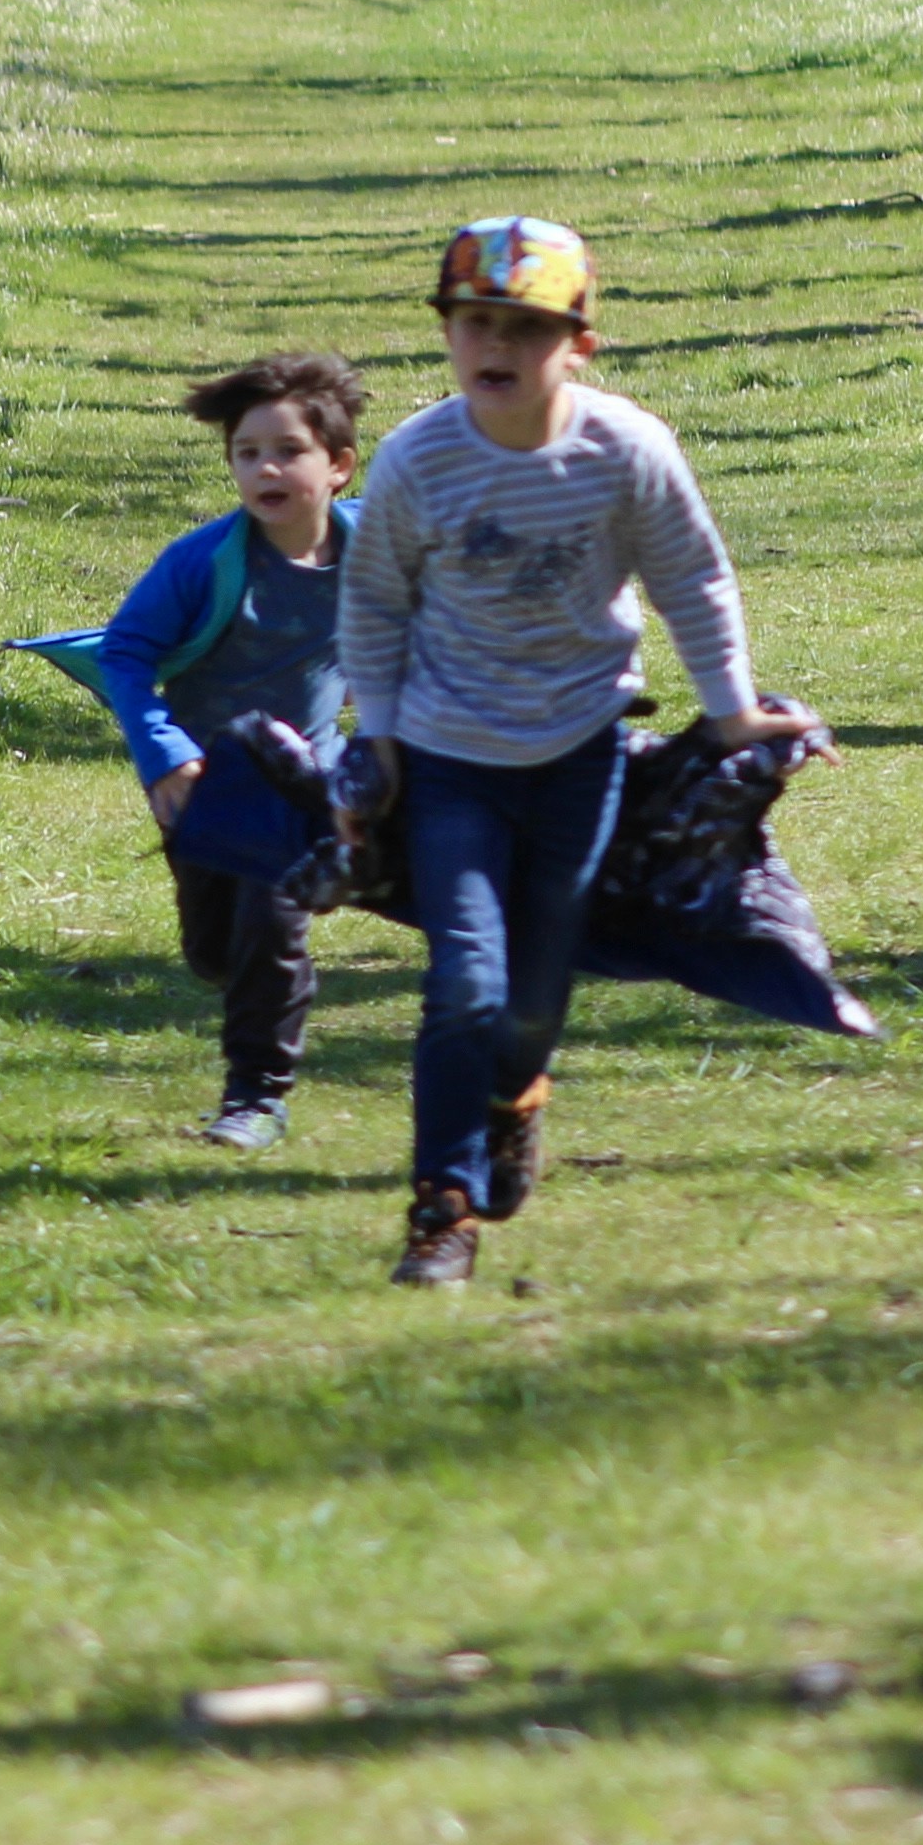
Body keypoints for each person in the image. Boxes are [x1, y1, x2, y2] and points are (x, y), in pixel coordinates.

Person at [343, 216, 802, 1289]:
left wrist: (732, 712)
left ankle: (517, 1097)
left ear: (578, 345)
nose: (496, 346)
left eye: (527, 328)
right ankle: (440, 1210)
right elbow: (372, 604)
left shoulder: (625, 451)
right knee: (465, 977)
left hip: (579, 754)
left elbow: (693, 577)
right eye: (476, 323)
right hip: (451, 760)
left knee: (535, 994)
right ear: (449, 335)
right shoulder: (419, 459)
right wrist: (379, 738)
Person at [84, 351, 365, 1150]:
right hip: (203, 786)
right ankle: (236, 977)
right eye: (247, 453)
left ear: (338, 466)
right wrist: (163, 754)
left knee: (273, 927)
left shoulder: (377, 550)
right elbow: (126, 654)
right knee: (217, 951)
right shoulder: (201, 562)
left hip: (301, 785)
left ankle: (257, 1097)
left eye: (287, 451)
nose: (265, 468)